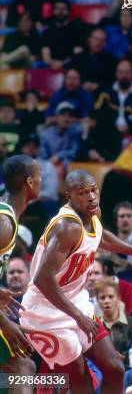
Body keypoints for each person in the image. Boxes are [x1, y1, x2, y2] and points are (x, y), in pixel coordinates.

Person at [20, 169, 132, 394]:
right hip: (44, 312)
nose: (90, 197)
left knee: (115, 368)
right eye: (82, 193)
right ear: (69, 196)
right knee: (80, 377)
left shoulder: (92, 213)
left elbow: (101, 235)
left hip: (75, 302)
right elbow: (42, 279)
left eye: (93, 190)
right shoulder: (68, 227)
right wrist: (78, 317)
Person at [0, 155, 41, 388]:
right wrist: (5, 323)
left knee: (20, 368)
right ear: (29, 182)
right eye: (39, 176)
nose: (41, 180)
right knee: (22, 368)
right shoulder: (4, 223)